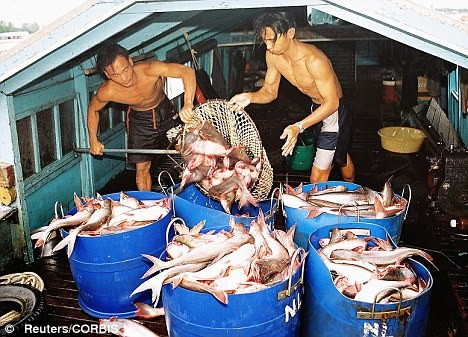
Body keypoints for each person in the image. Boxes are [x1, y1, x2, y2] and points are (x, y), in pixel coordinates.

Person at [229, 12, 355, 183]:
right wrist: (250, 97)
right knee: (339, 154)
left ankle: (354, 191)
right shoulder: (273, 56)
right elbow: (270, 91)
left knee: (317, 179)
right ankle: (353, 184)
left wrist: (298, 126)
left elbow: (332, 103)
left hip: (334, 112)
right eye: (265, 40)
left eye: (272, 40)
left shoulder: (314, 60)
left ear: (290, 33)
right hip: (317, 109)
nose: (268, 46)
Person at [87, 43, 196, 191]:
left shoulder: (149, 69)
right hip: (139, 120)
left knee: (186, 151)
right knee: (142, 168)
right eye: (115, 75)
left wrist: (188, 102)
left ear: (130, 61)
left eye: (125, 69)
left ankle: (191, 192)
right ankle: (148, 206)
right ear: (107, 75)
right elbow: (93, 110)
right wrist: (93, 139)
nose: (124, 78)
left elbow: (186, 71)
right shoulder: (108, 91)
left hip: (164, 111)